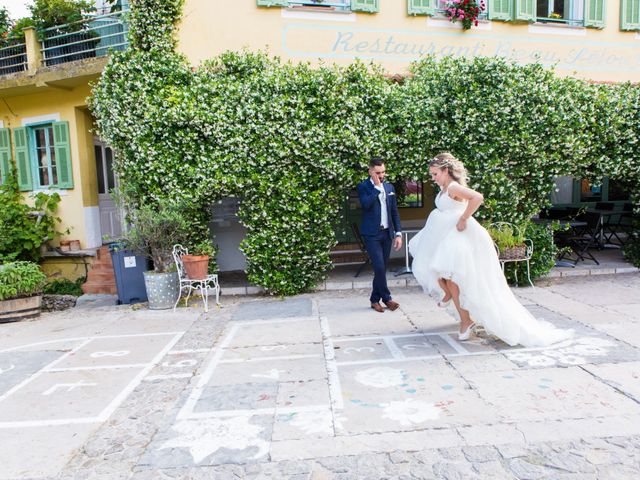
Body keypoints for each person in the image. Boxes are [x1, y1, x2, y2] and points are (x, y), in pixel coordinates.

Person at [408, 153, 573, 346]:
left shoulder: (453, 186)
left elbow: (477, 198)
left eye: (435, 174)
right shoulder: (444, 188)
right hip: (445, 237)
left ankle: (466, 319)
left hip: (459, 236)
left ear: (446, 170)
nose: (433, 178)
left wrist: (463, 218)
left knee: (452, 276)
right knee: (435, 269)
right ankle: (455, 305)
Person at [357, 157, 403, 313]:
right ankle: (387, 298)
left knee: (381, 268)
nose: (381, 175)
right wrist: (377, 188)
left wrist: (398, 233)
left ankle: (374, 300)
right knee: (379, 266)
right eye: (378, 172)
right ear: (370, 171)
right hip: (372, 234)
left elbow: (394, 212)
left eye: (383, 172)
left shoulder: (390, 187)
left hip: (387, 233)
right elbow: (365, 204)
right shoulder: (363, 186)